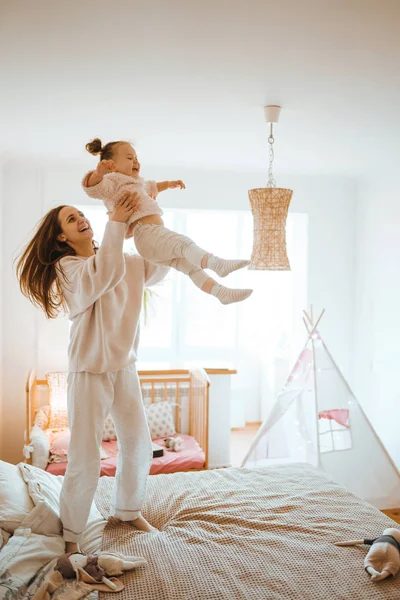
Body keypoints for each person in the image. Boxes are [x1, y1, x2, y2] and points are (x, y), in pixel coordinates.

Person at [17, 192, 167, 552]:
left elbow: (157, 269)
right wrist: (117, 222)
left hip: (123, 368)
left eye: (82, 213)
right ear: (61, 238)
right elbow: (100, 277)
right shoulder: (67, 269)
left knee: (138, 444)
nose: (81, 218)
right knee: (84, 456)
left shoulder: (118, 258)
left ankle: (128, 510)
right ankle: (72, 535)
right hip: (89, 370)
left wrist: (150, 214)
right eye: (71, 219)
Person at [83, 137, 253, 305]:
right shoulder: (112, 181)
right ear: (111, 164)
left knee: (191, 266)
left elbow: (153, 186)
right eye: (129, 158)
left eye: (136, 158)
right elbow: (93, 189)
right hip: (146, 233)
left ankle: (220, 293)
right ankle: (217, 264)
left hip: (150, 243)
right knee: (184, 245)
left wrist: (169, 184)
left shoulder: (136, 183)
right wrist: (98, 173)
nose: (136, 162)